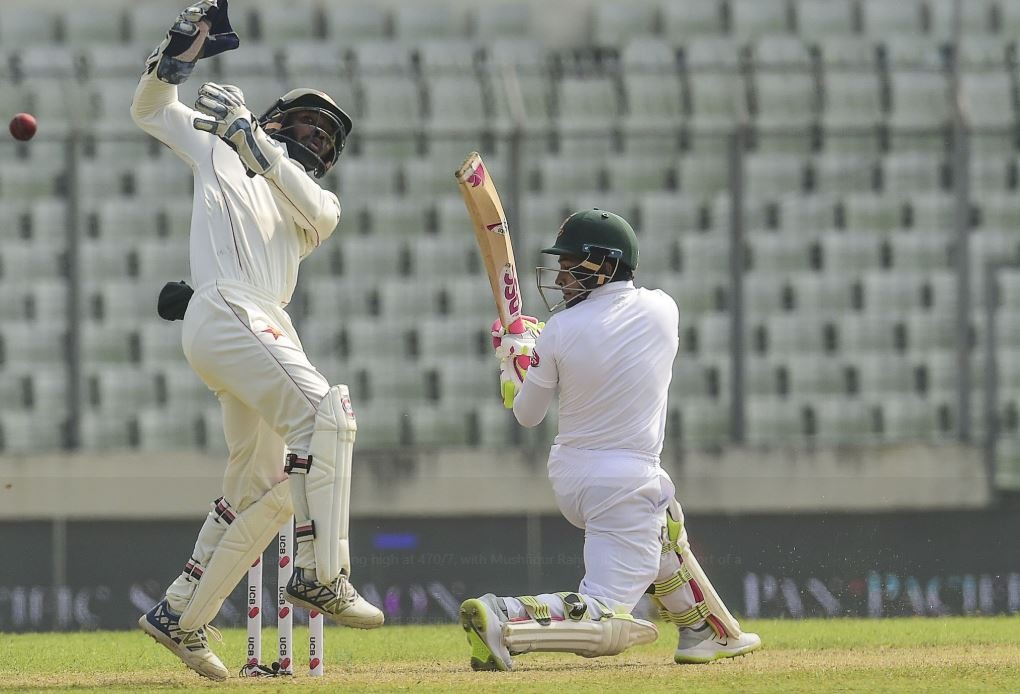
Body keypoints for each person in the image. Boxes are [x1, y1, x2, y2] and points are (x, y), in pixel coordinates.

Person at [131, 0, 381, 681]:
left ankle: (182, 613)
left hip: (252, 320)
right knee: (327, 413)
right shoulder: (216, 148)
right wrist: (177, 54)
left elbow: (317, 207)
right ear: (273, 118)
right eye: (305, 123)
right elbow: (150, 110)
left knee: (267, 488)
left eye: (327, 137)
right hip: (230, 310)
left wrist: (257, 144)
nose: (315, 138)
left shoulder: (310, 204)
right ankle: (323, 573)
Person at [459, 209, 762, 670]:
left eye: (568, 266)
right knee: (608, 620)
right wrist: (533, 354)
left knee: (665, 525)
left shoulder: (558, 331)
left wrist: (516, 361)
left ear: (604, 265)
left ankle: (706, 632)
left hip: (573, 476)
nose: (561, 278)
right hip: (625, 482)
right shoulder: (664, 309)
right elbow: (608, 343)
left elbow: (526, 414)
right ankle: (506, 617)